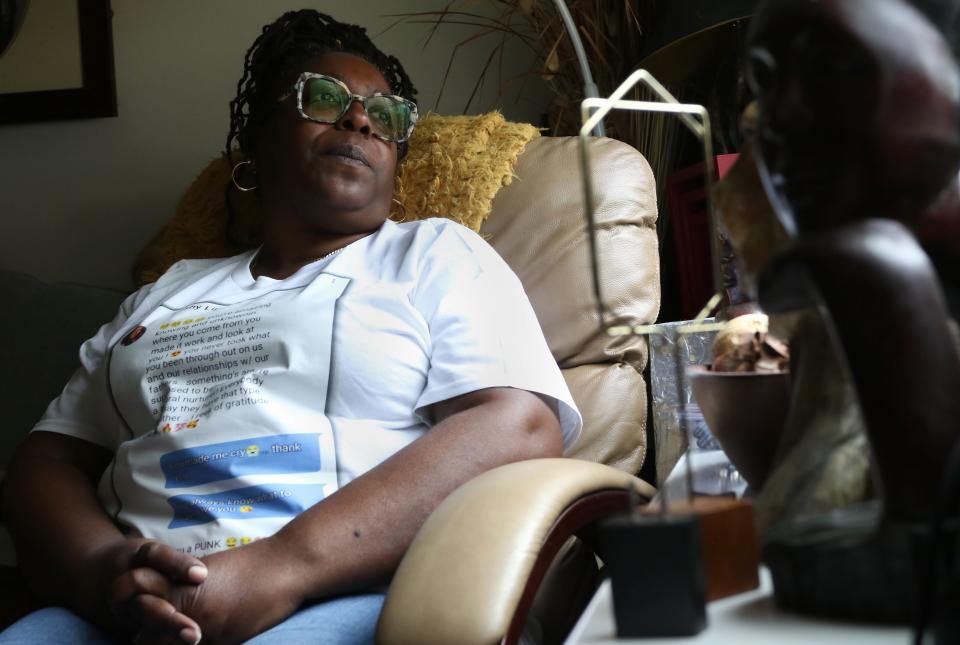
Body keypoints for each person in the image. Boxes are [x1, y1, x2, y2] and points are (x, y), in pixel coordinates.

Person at [0, 10, 580, 645]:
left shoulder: (435, 254)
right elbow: (47, 458)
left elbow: (516, 425)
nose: (360, 119)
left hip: (354, 590)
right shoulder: (165, 292)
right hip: (129, 609)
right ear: (258, 142)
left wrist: (275, 570)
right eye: (326, 99)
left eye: (385, 116)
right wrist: (103, 571)